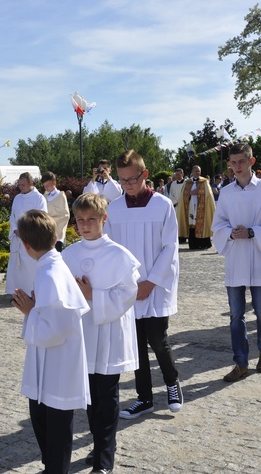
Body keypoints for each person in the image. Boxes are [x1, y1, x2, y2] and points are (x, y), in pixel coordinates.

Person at [62, 193, 140, 473]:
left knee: (106, 397)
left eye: (91, 220)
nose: (85, 225)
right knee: (90, 398)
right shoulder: (69, 254)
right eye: (80, 220)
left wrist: (93, 294)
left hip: (108, 335)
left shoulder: (119, 255)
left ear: (104, 220)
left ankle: (105, 460)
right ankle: (98, 445)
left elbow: (129, 294)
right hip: (83, 335)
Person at [105, 150, 183, 419]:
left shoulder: (162, 206)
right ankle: (144, 398)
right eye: (123, 180)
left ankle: (172, 383)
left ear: (145, 175)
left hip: (155, 285)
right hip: (129, 289)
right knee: (136, 344)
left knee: (158, 340)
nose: (127, 185)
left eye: (132, 179)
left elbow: (170, 247)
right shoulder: (113, 209)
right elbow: (111, 249)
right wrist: (124, 284)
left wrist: (151, 281)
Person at [11, 210, 90, 474]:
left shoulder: (50, 273)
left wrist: (30, 311)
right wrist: (35, 309)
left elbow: (55, 329)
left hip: (58, 365)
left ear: (25, 245)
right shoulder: (50, 266)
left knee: (55, 429)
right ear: (55, 236)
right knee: (43, 419)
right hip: (52, 364)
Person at [211, 144, 261, 382]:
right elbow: (218, 224)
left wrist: (252, 232)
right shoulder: (227, 192)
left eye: (242, 161)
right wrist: (230, 234)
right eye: (233, 162)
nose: (237, 166)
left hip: (260, 256)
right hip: (236, 258)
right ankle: (240, 363)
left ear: (251, 162)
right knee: (235, 314)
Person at [6, 172, 48, 295]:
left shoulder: (39, 198)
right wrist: (15, 230)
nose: (20, 187)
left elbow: (41, 218)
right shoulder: (17, 198)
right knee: (17, 269)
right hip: (18, 238)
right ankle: (17, 293)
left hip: (31, 238)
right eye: (19, 185)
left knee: (30, 269)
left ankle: (31, 293)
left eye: (23, 185)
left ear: (31, 183)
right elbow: (13, 217)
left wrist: (26, 232)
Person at [177, 165, 216, 249]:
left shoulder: (204, 182)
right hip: (190, 206)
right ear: (192, 172)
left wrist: (199, 192)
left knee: (202, 223)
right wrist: (190, 194)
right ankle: (193, 244)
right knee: (192, 224)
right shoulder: (187, 182)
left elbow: (208, 195)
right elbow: (183, 195)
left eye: (198, 171)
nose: (197, 173)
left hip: (201, 206)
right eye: (195, 171)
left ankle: (204, 244)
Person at [41, 172, 70, 252]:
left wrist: (49, 222)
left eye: (48, 185)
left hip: (56, 232)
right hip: (45, 232)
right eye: (44, 186)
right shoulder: (44, 196)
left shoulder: (60, 196)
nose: (46, 188)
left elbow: (65, 215)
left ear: (54, 182)